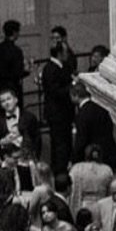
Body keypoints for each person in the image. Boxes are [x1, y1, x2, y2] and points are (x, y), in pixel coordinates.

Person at [41, 28, 76, 181]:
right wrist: (71, 85)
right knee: (59, 144)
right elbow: (55, 91)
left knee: (65, 142)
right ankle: (59, 172)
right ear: (60, 53)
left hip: (65, 113)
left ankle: (63, 169)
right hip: (57, 113)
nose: (67, 54)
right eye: (65, 52)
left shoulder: (62, 66)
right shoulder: (50, 69)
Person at [67, 144, 114, 218]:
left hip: (83, 205)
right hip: (101, 204)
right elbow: (110, 192)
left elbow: (73, 191)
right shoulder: (107, 170)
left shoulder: (76, 168)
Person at [0, 19, 27, 105]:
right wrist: (27, 71)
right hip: (14, 86)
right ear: (14, 33)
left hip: (1, 84)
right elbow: (18, 72)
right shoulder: (16, 51)